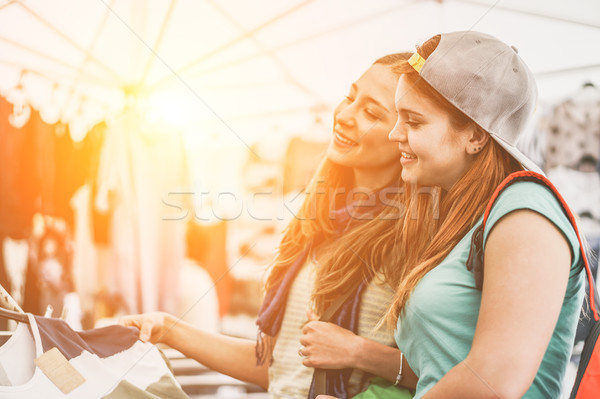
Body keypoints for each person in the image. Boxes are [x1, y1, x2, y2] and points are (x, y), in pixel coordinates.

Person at [119, 52, 419, 398]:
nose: (346, 115)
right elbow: (272, 367)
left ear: (405, 135)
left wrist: (359, 352)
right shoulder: (314, 229)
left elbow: (442, 373)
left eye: (371, 113)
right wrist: (168, 328)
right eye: (350, 97)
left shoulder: (410, 240)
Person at [379, 31, 580, 399]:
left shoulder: (526, 210)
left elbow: (493, 381)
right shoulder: (474, 217)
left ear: (474, 135)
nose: (395, 133)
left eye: (414, 121)